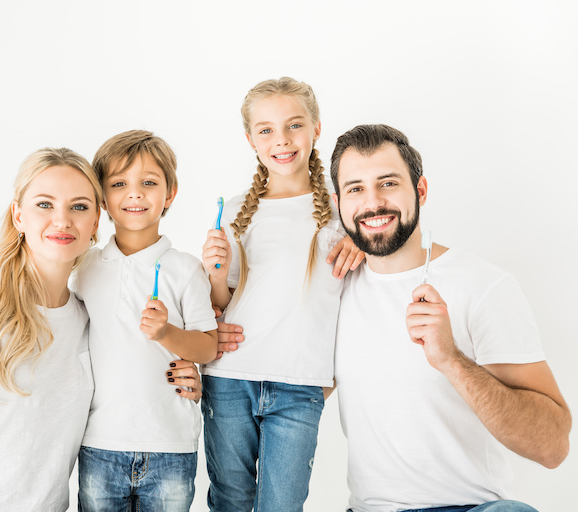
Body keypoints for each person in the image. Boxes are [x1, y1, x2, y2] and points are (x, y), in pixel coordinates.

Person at [0, 148, 202, 511]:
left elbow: (131, 375)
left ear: (95, 223)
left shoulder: (89, 320)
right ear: (18, 215)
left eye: (79, 206)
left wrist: (182, 378)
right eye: (44, 204)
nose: (62, 220)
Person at [329, 124, 571, 512]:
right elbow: (294, 393)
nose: (373, 203)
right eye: (356, 188)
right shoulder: (333, 290)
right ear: (339, 202)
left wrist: (451, 360)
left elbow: (553, 447)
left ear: (420, 190)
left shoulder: (483, 286)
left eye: (388, 183)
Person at [200, 77, 363, 512]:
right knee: (230, 500)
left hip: (300, 383)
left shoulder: (345, 209)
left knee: (282, 506)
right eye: (267, 130)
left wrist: (362, 243)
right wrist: (215, 274)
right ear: (250, 139)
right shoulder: (235, 210)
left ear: (316, 129)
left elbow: (391, 248)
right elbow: (222, 300)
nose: (282, 140)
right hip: (230, 377)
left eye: (294, 125)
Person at [72, 130, 218, 512]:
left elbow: (208, 345)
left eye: (149, 183)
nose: (134, 194)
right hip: (99, 442)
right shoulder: (84, 270)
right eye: (119, 184)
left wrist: (167, 333)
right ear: (102, 197)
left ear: (169, 194)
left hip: (170, 445)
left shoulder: (185, 270)